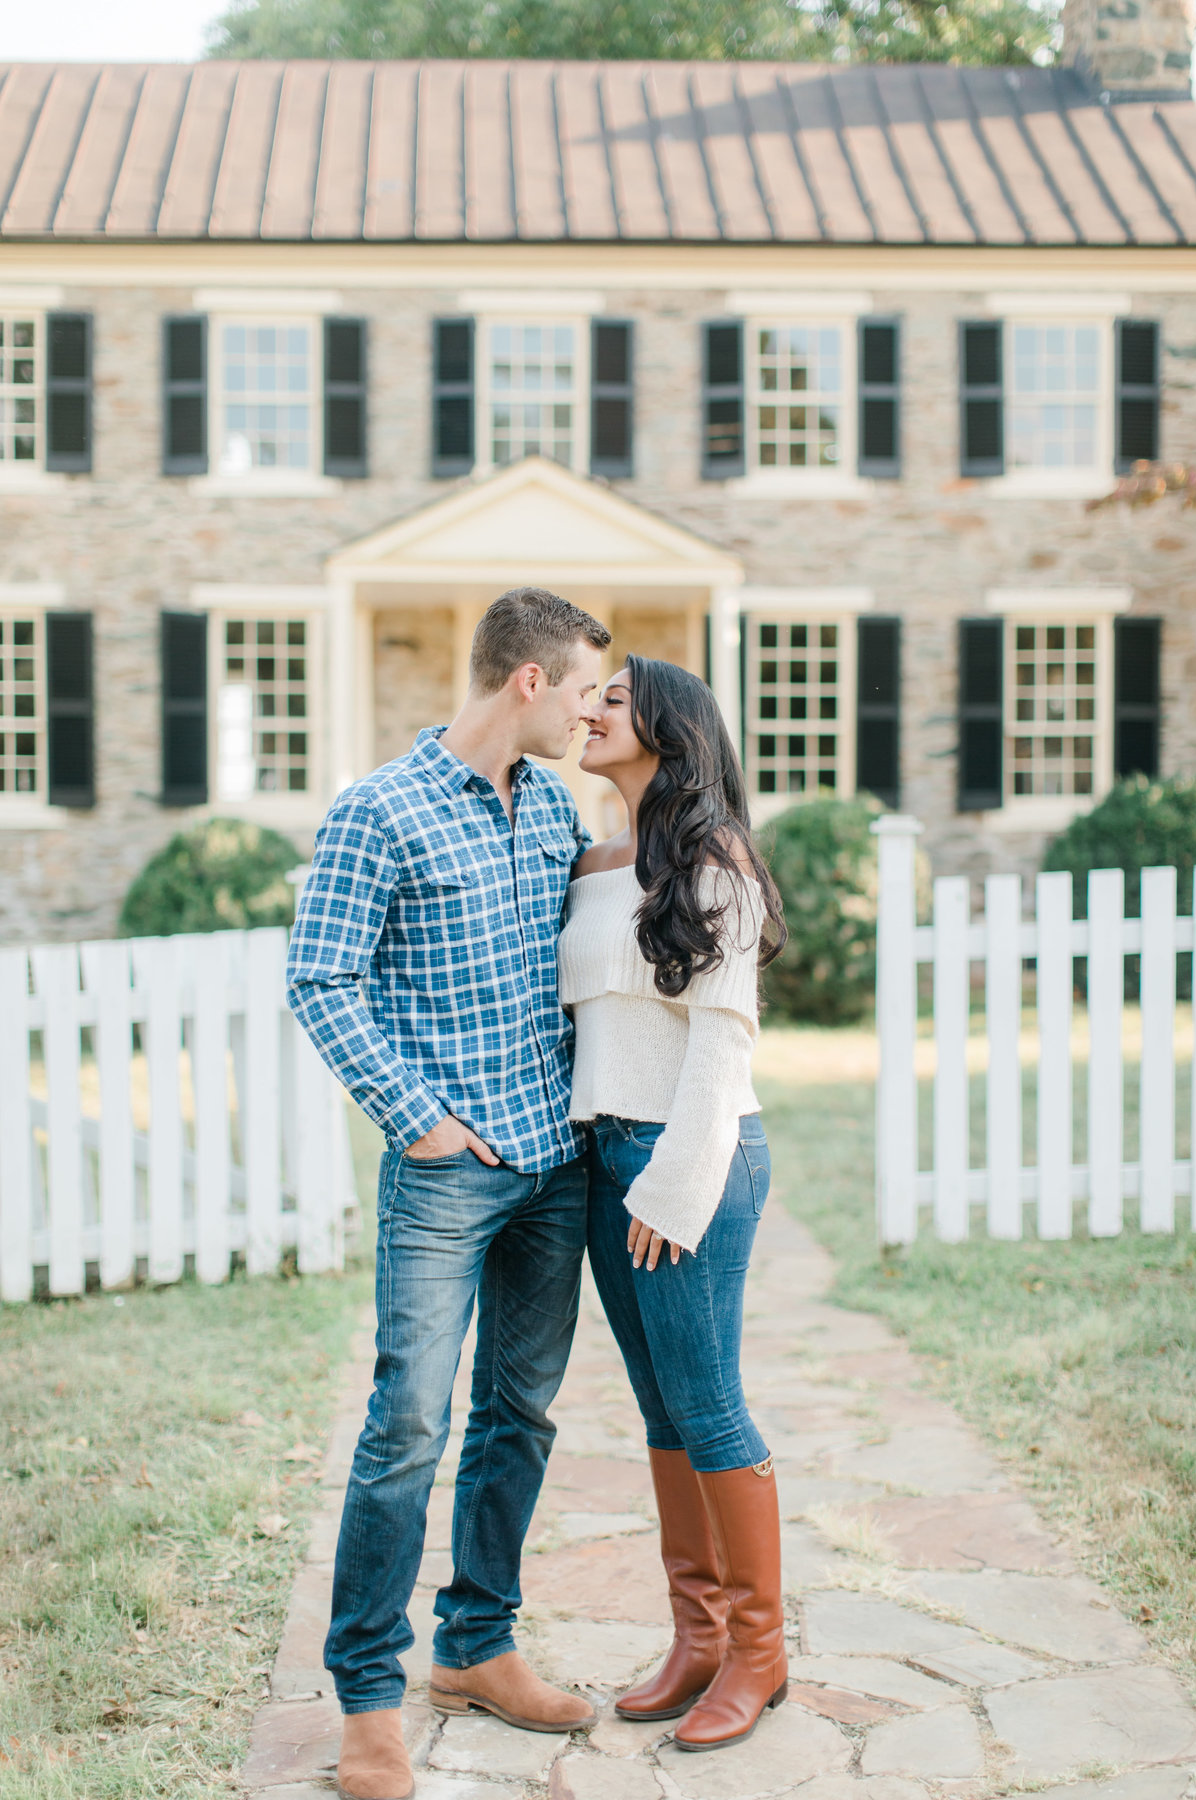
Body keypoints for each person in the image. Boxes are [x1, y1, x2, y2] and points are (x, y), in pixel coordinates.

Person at [287, 588, 611, 1800]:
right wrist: (418, 1121)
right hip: (444, 1178)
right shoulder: (380, 809)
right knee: (407, 1426)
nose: (592, 711)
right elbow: (323, 980)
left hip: (554, 1171)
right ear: (527, 681)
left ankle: (476, 1648)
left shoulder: (558, 811)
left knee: (517, 1418)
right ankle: (369, 1697)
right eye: (583, 688)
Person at [557, 655, 788, 1755]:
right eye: (586, 696)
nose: (588, 709)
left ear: (668, 726)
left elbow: (720, 1040)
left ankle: (757, 1651)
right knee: (661, 1414)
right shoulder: (599, 859)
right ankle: (696, 1638)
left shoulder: (715, 861)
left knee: (708, 1406)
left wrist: (675, 1184)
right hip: (606, 1158)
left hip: (688, 1156)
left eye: (610, 696)